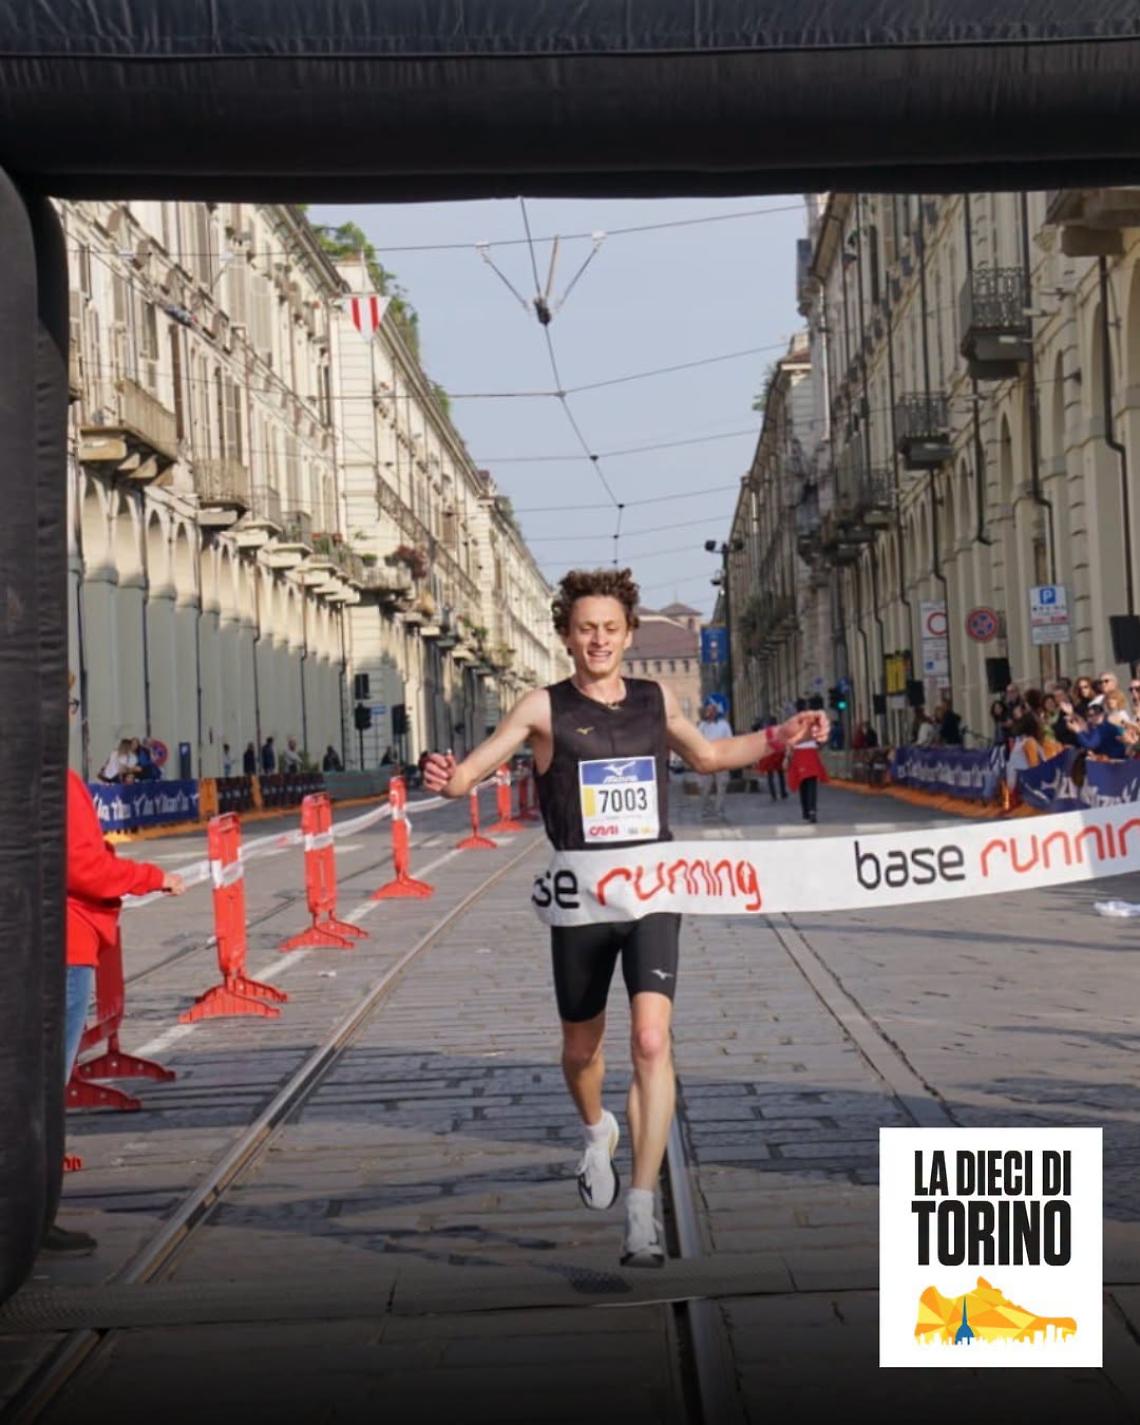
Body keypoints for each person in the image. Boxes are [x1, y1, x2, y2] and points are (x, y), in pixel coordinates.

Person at [421, 568, 827, 1268]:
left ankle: (641, 1209)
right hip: (581, 901)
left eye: (610, 628)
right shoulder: (542, 707)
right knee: (582, 1050)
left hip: (652, 894)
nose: (599, 639)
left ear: (629, 634)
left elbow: (708, 753)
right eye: (586, 628)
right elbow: (470, 772)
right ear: (567, 636)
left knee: (648, 1038)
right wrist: (447, 774)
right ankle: (596, 1128)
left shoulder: (652, 699)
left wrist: (778, 735)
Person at [47, 679, 186, 1254]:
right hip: (65, 944)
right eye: (70, 704)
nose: (73, 716)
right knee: (43, 1089)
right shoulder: (56, 782)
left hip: (38, 940)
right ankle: (29, 1217)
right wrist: (153, 878)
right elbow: (83, 867)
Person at [787, 697, 829, 823]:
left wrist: (788, 756)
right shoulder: (812, 721)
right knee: (812, 783)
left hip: (799, 754)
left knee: (802, 783)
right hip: (811, 753)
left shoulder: (792, 722)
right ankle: (812, 810)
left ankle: (805, 810)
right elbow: (820, 736)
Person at [697, 698, 733, 821]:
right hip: (707, 759)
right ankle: (704, 809)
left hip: (721, 758)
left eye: (712, 710)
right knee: (705, 786)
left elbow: (730, 741)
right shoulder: (702, 725)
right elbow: (697, 741)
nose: (710, 712)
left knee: (721, 785)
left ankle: (719, 810)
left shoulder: (724, 725)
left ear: (717, 711)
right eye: (708, 709)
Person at [754, 716, 788, 801]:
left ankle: (773, 795)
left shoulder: (764, 731)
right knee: (780, 775)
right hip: (778, 754)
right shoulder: (778, 730)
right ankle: (783, 792)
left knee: (770, 776)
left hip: (769, 755)